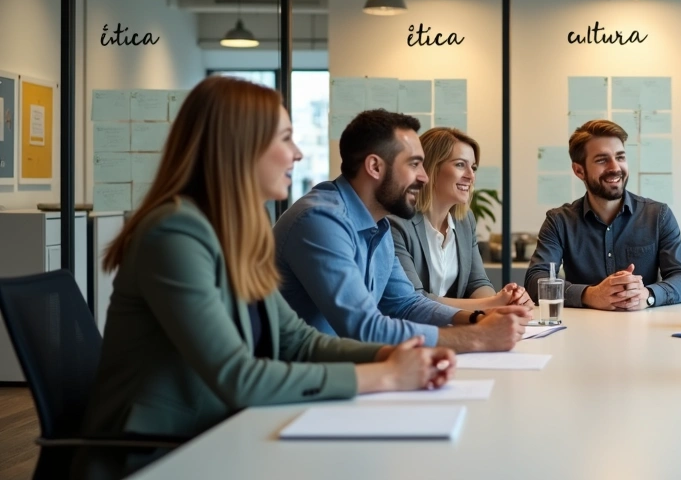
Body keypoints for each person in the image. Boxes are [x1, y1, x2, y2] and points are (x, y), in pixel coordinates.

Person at [78, 78, 454, 475]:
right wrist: (387, 375)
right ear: (239, 146)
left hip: (221, 432)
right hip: (158, 452)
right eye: (286, 138)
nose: (297, 154)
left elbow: (298, 340)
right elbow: (238, 376)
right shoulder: (174, 233)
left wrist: (389, 354)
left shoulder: (235, 230)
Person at [276, 110, 528, 352]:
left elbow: (406, 304)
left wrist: (477, 318)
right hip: (296, 377)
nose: (424, 177)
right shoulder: (321, 220)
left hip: (343, 365)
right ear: (375, 167)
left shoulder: (378, 224)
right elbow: (364, 328)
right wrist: (478, 337)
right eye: (414, 164)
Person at [525, 119, 681, 310]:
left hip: (645, 329)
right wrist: (590, 294)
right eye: (602, 160)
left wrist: (648, 295)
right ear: (579, 170)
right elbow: (536, 280)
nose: (615, 167)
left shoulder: (658, 215)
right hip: (580, 331)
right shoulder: (559, 221)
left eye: (620, 157)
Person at [389, 127, 531, 309]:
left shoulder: (464, 220)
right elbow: (414, 299)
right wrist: (493, 303)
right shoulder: (397, 224)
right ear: (430, 168)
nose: (471, 176)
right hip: (411, 332)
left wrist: (506, 300)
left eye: (473, 167)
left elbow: (477, 282)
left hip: (456, 327)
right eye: (460, 165)